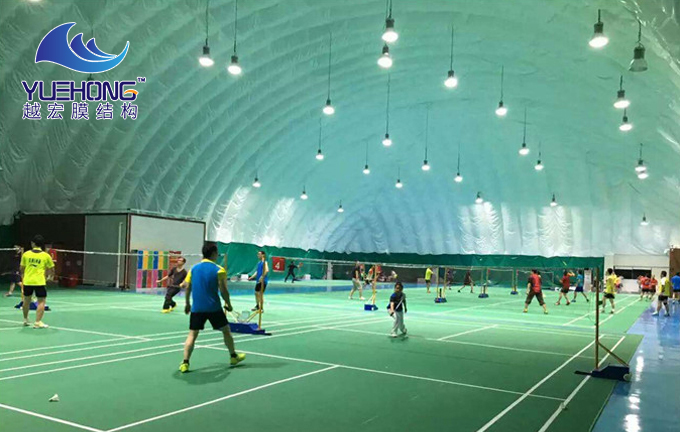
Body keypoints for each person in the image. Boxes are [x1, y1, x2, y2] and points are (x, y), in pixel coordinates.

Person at [179, 241, 245, 373]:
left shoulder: (193, 269)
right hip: (214, 308)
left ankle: (185, 363)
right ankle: (233, 356)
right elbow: (224, 290)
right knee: (226, 331)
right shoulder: (219, 270)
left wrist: (187, 304)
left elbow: (187, 287)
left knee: (192, 335)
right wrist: (228, 304)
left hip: (197, 308)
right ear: (214, 253)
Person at [19, 235, 54, 328]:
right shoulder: (46, 255)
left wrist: (23, 275)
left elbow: (21, 268)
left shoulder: (26, 254)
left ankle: (25, 320)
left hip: (28, 281)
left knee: (26, 301)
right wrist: (50, 277)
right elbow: (52, 268)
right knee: (41, 301)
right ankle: (38, 322)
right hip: (40, 282)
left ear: (32, 243)